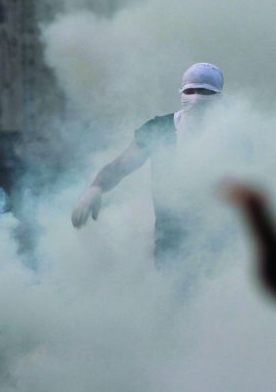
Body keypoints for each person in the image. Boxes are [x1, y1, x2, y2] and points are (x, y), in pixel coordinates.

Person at [71, 63, 224, 263]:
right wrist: (95, 188)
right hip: (170, 244)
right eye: (190, 90)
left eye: (204, 91)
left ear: (218, 96)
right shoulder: (160, 128)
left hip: (220, 245)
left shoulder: (232, 132)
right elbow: (121, 165)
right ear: (181, 92)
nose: (195, 97)